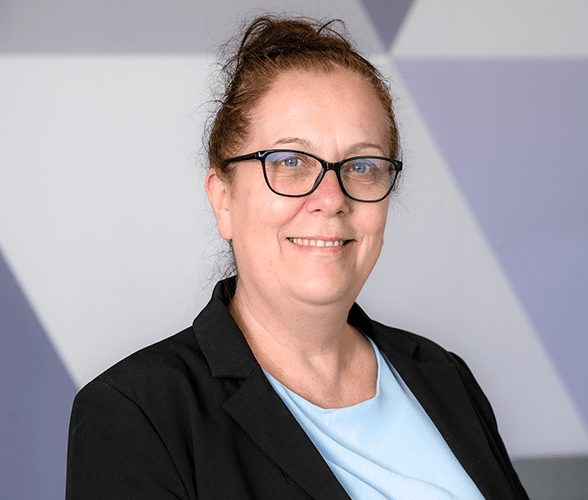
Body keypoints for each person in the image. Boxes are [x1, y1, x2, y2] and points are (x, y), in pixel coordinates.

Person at [66, 15, 529, 500]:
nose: (331, 197)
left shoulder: (442, 374)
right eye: (290, 161)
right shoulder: (138, 414)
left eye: (362, 165)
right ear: (224, 199)